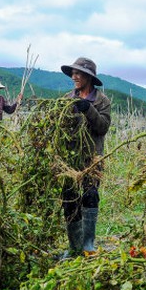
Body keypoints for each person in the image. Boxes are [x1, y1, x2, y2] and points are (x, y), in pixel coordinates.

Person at [59, 57, 111, 256]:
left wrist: (88, 109)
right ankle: (74, 247)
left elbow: (103, 127)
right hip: (70, 159)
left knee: (90, 196)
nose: (75, 76)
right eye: (73, 73)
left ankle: (88, 245)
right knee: (70, 198)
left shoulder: (101, 101)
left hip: (92, 158)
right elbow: (61, 127)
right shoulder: (66, 99)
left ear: (89, 77)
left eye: (79, 73)